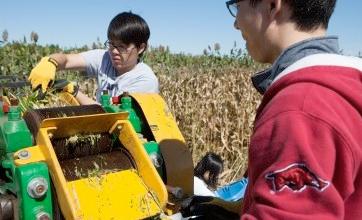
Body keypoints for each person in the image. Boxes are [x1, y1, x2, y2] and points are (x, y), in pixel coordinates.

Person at [181, 0, 362, 219]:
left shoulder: (299, 108)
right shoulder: (345, 84)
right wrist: (236, 208)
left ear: (272, 5)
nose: (236, 24)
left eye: (237, 7)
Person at [28, 12, 159, 105]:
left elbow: (113, 117)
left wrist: (73, 92)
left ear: (141, 48)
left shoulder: (145, 81)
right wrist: (51, 62)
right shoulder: (104, 58)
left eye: (122, 47)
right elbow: (67, 59)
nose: (114, 51)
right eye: (111, 44)